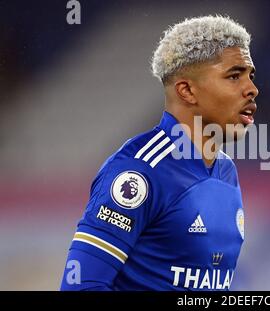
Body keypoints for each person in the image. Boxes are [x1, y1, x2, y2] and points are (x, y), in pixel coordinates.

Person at [60, 15, 258, 291]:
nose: (252, 89)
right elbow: (81, 286)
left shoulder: (226, 172)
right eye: (234, 76)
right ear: (187, 90)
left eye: (250, 76)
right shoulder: (139, 171)